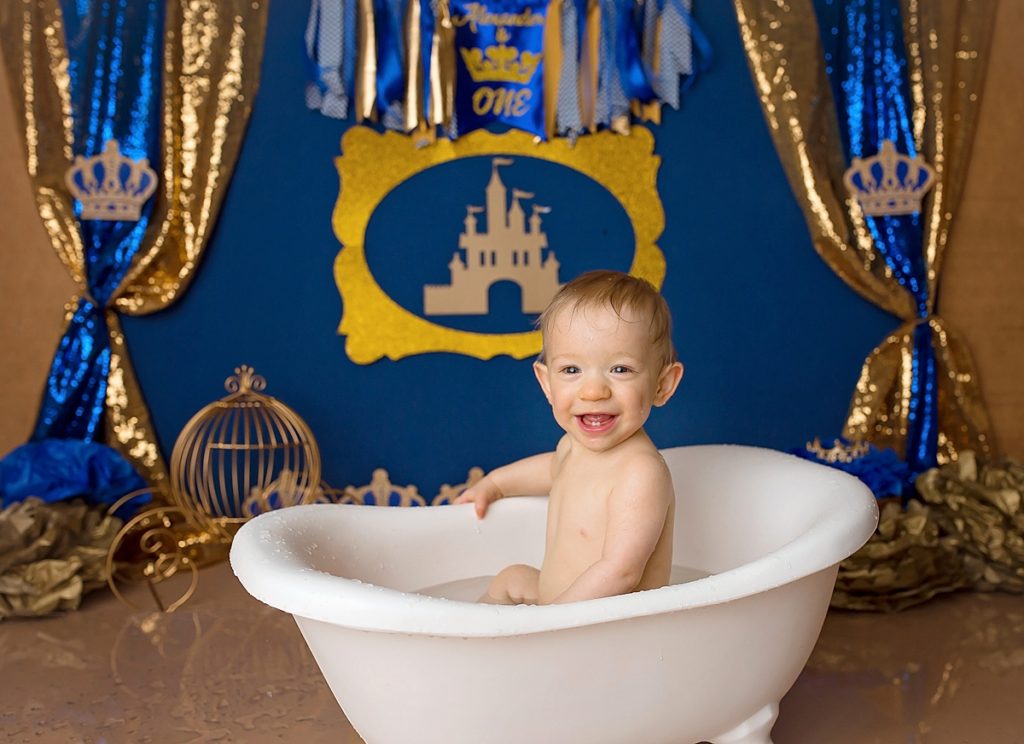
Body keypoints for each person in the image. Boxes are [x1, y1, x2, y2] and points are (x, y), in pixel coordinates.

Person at [455, 270, 684, 604]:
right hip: (559, 607)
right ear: (547, 383)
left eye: (620, 369)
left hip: (611, 622)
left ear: (662, 385)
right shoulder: (571, 448)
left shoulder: (640, 472)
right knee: (511, 577)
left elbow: (621, 572)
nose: (593, 391)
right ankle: (472, 635)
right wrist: (495, 484)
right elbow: (551, 468)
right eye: (571, 370)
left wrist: (553, 621)